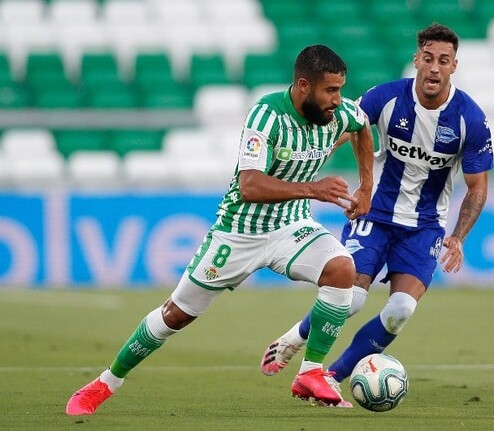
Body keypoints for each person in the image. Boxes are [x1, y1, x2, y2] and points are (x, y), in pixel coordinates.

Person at [65, 44, 374, 415]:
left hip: (290, 226)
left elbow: (362, 127)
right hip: (238, 233)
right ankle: (105, 383)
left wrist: (366, 188)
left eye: (340, 90)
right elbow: (250, 186)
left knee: (341, 269)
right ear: (304, 86)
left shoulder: (338, 114)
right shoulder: (267, 117)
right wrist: (313, 188)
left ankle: (311, 371)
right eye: (330, 90)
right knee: (175, 315)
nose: (337, 100)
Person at [260, 23, 493, 407]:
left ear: (454, 66)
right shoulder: (386, 97)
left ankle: (331, 376)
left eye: (444, 61)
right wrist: (311, 170)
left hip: (424, 227)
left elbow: (477, 186)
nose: (435, 68)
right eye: (429, 58)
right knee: (349, 300)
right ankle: (296, 336)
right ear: (417, 59)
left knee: (400, 310)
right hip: (375, 214)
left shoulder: (470, 118)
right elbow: (340, 128)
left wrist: (459, 236)